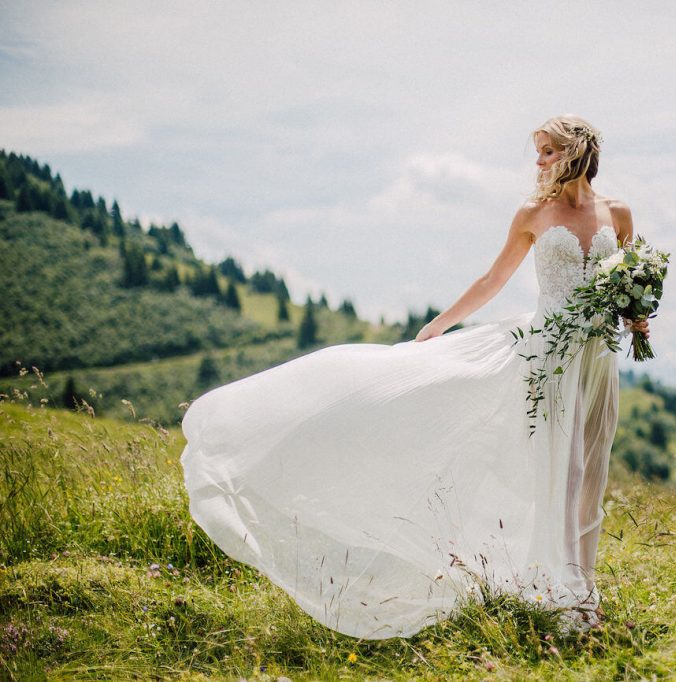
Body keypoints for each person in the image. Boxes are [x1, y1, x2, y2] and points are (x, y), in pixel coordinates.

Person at [179, 114, 651, 641]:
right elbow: (493, 279)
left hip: (598, 359)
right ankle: (572, 603)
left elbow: (630, 276)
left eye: (547, 152)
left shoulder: (618, 212)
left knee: (593, 478)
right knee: (564, 475)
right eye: (537, 153)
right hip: (548, 359)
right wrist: (439, 327)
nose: (538, 162)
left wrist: (637, 317)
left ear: (574, 151)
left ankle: (585, 588)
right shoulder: (533, 213)